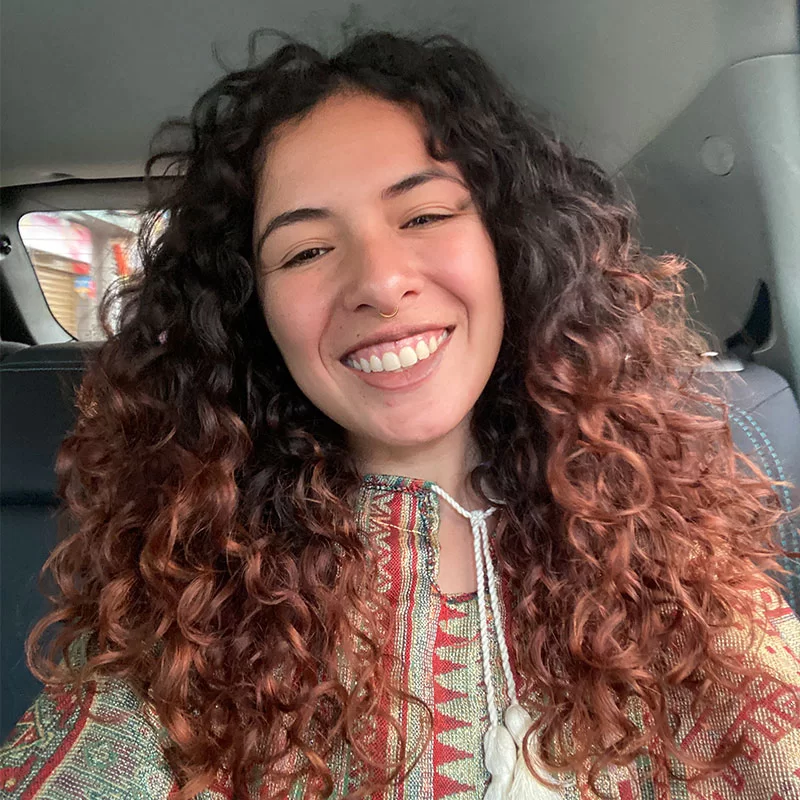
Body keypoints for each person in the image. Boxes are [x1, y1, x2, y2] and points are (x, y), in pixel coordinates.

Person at [1, 29, 799, 800]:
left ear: (508, 246)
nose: (380, 282)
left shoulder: (674, 546)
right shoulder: (185, 597)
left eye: (423, 216)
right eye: (306, 251)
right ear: (253, 316)